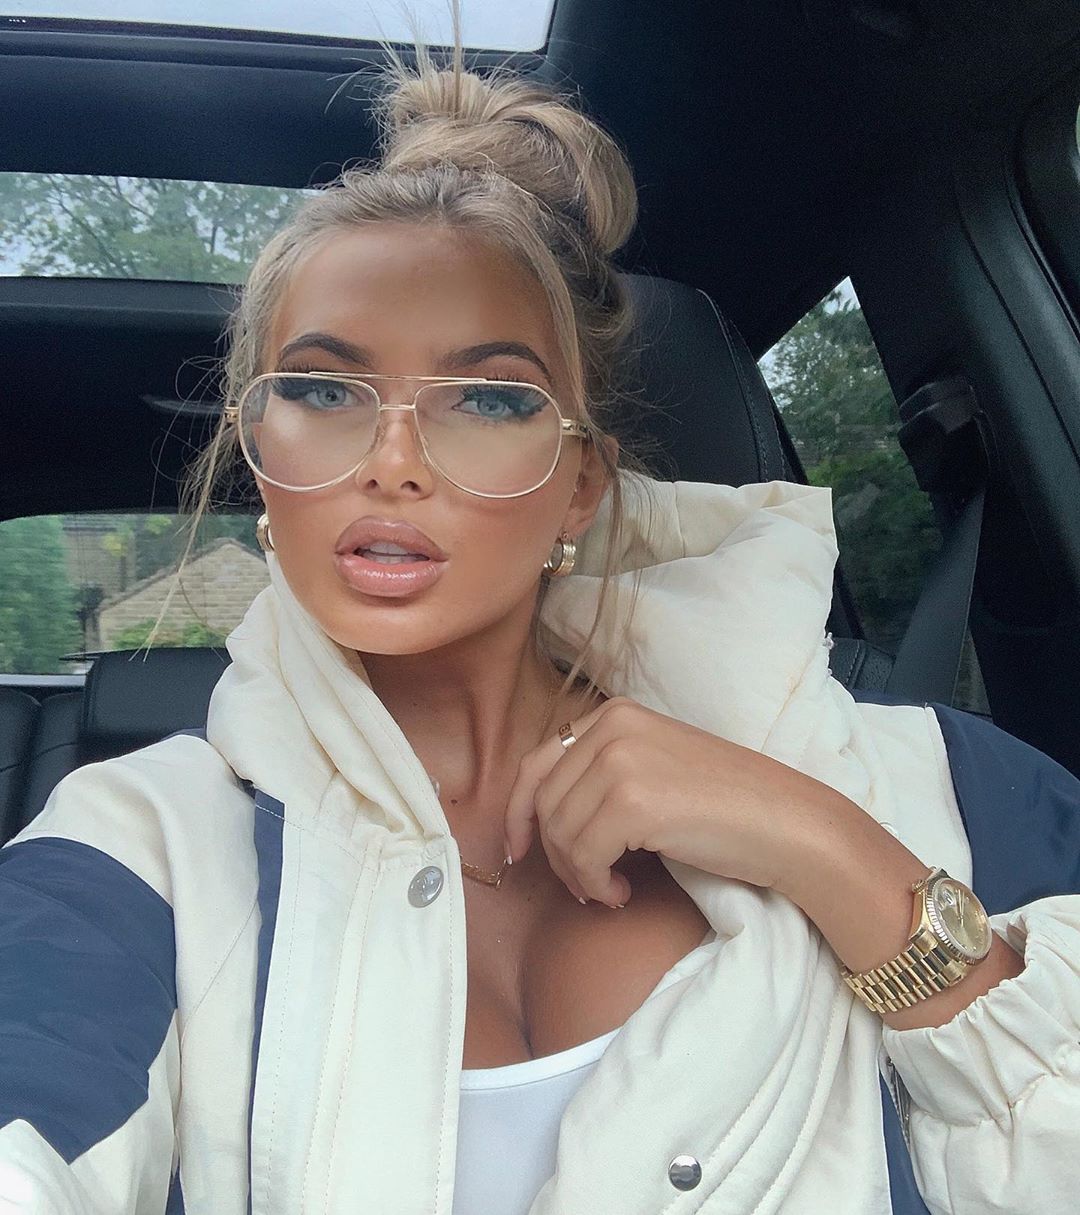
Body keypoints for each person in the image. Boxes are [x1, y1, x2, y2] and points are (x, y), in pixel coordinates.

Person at [1, 27, 1079, 1215]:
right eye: (321, 388)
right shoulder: (142, 843)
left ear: (581, 486)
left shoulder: (939, 784)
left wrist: (831, 851)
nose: (394, 460)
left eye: (488, 398)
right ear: (261, 456)